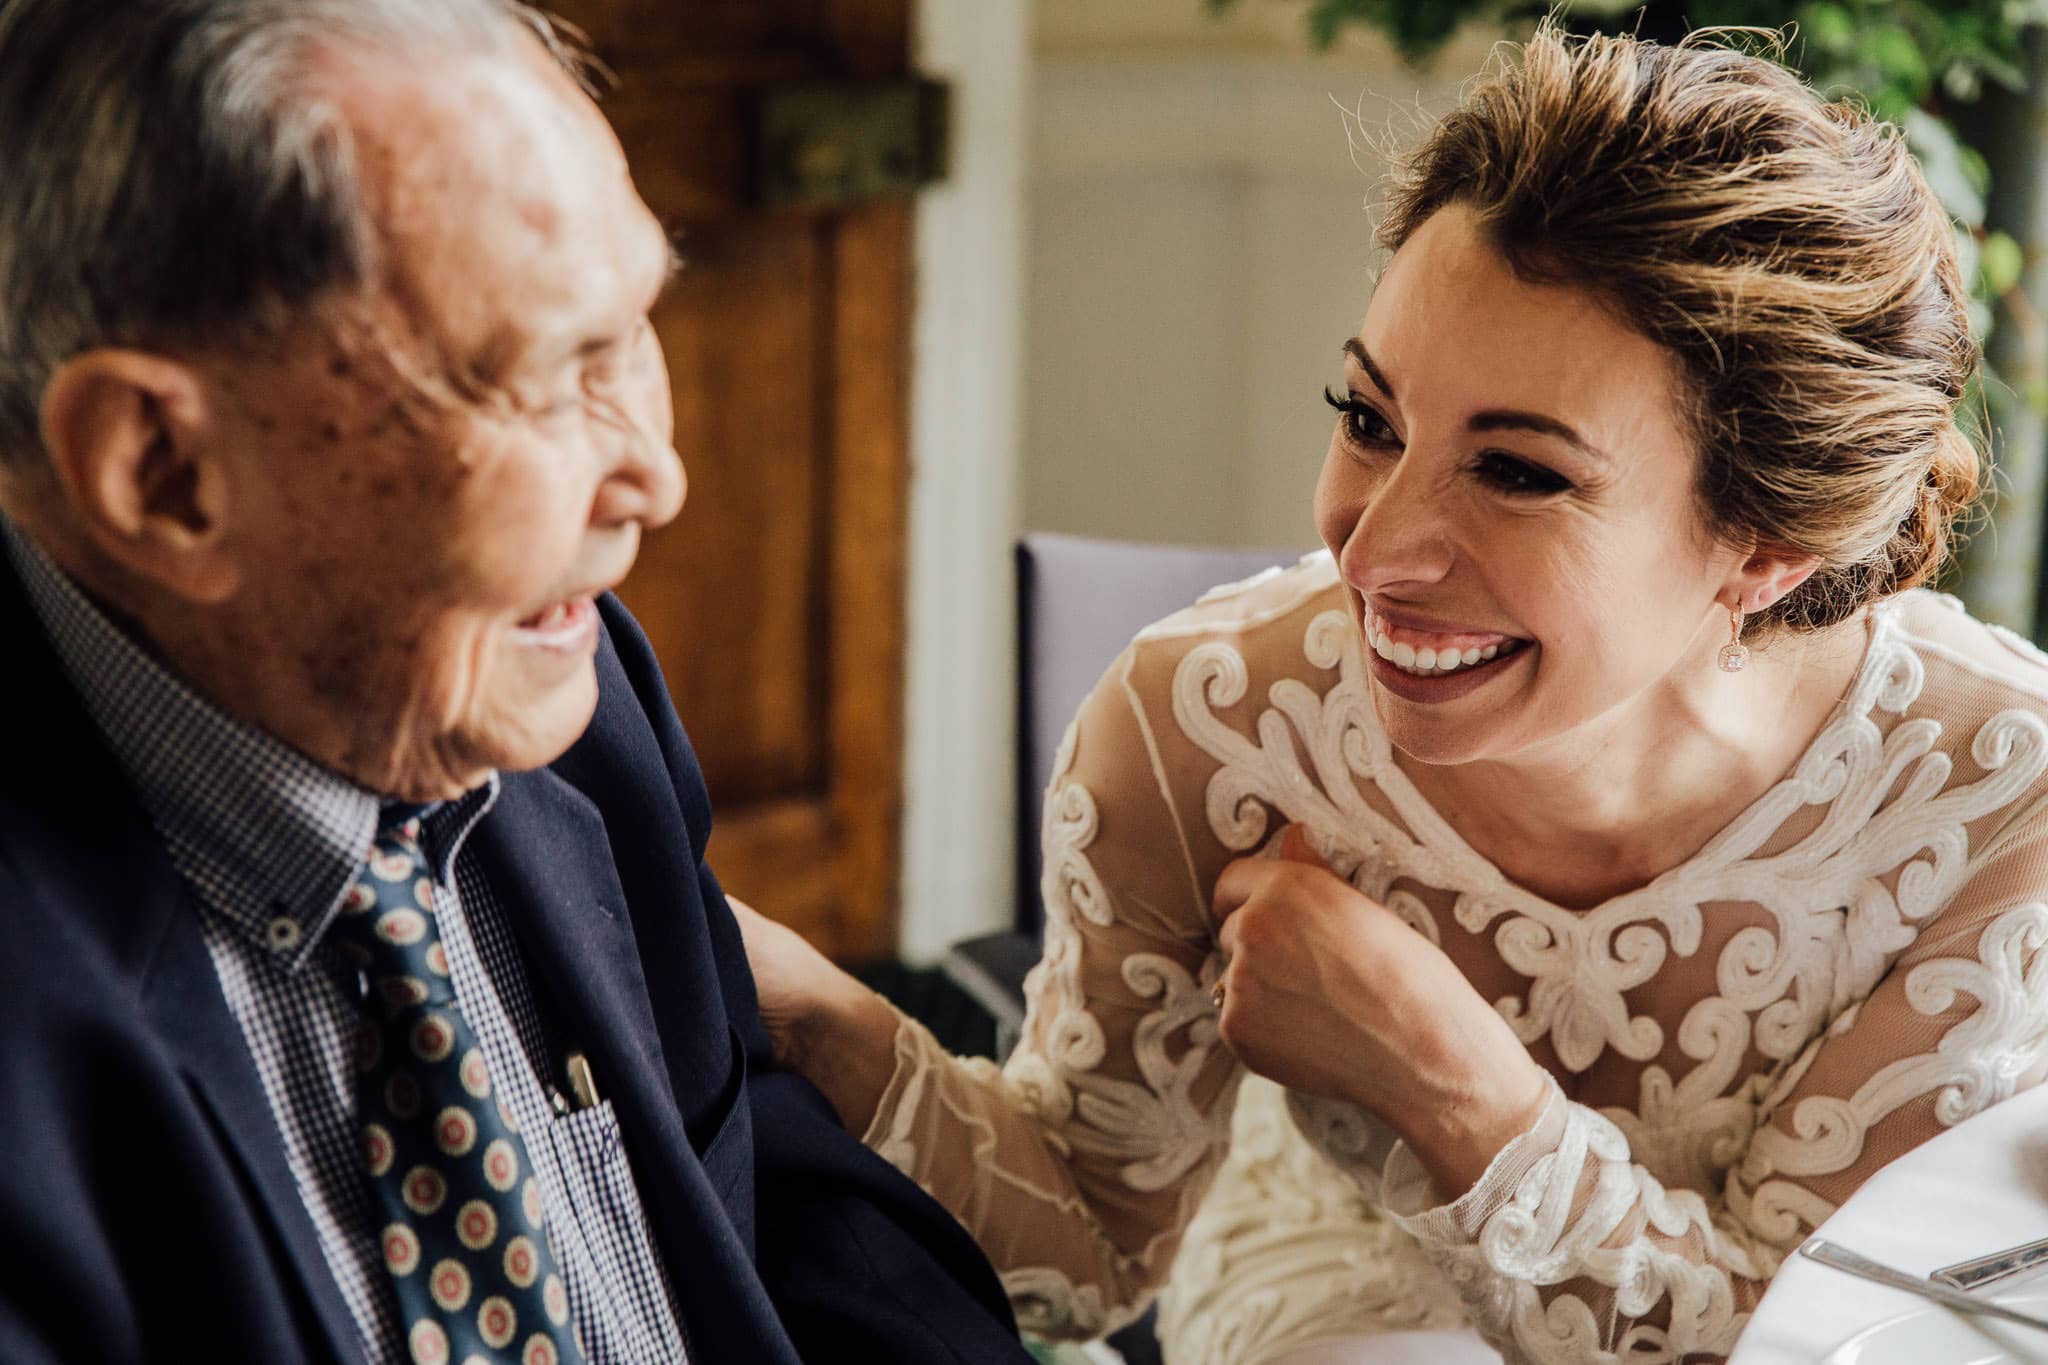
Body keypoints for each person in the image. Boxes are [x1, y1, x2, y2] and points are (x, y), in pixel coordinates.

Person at [736, 26, 2048, 1365]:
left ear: (1766, 552)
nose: (1370, 550)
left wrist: (1441, 1074)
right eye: (1369, 418)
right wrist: (813, 1009)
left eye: (1519, 472)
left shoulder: (2002, 793)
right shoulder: (1210, 732)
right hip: (1348, 1286)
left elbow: (1803, 1341)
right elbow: (1086, 1241)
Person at [0, 3, 1035, 1363]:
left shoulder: (554, 682)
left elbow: (748, 1179)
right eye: (556, 376)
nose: (657, 474)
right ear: (164, 471)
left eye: (638, 330)